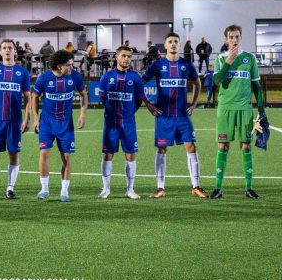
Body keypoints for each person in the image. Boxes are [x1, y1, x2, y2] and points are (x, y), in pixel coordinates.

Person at [142, 32, 207, 199]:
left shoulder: (186, 64)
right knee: (161, 149)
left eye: (175, 42)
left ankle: (196, 186)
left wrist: (193, 103)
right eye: (170, 41)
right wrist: (148, 104)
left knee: (191, 147)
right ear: (164, 45)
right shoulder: (157, 65)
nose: (173, 44)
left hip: (182, 115)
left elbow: (197, 82)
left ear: (179, 45)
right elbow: (139, 83)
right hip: (163, 116)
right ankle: (160, 188)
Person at [211, 25, 265, 199]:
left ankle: (248, 188)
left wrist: (261, 109)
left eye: (237, 37)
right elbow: (218, 81)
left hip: (245, 109)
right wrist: (228, 62)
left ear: (241, 38)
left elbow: (256, 85)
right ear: (226, 39)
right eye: (231, 37)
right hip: (225, 108)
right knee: (223, 146)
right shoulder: (220, 58)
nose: (234, 40)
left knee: (246, 146)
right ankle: (218, 188)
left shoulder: (250, 58)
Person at [98, 45, 159, 199]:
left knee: (130, 154)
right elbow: (102, 97)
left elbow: (139, 100)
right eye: (123, 56)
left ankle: (130, 189)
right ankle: (106, 189)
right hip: (111, 123)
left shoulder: (135, 78)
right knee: (107, 155)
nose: (126, 59)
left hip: (128, 123)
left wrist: (129, 112)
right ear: (116, 57)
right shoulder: (107, 76)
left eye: (129, 57)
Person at [32, 50, 88, 201]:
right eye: (68, 65)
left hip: (66, 124)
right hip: (47, 123)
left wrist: (82, 114)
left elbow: (83, 94)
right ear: (58, 66)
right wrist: (36, 119)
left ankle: (64, 191)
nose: (71, 68)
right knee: (44, 153)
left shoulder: (75, 77)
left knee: (67, 157)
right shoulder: (44, 78)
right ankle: (44, 189)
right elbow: (34, 96)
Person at [0, 39, 31, 200]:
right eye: (4, 48)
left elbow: (28, 98)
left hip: (15, 120)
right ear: (0, 52)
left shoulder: (22, 73)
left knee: (14, 153)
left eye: (10, 48)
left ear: (15, 51)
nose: (7, 50)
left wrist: (27, 118)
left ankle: (10, 188)